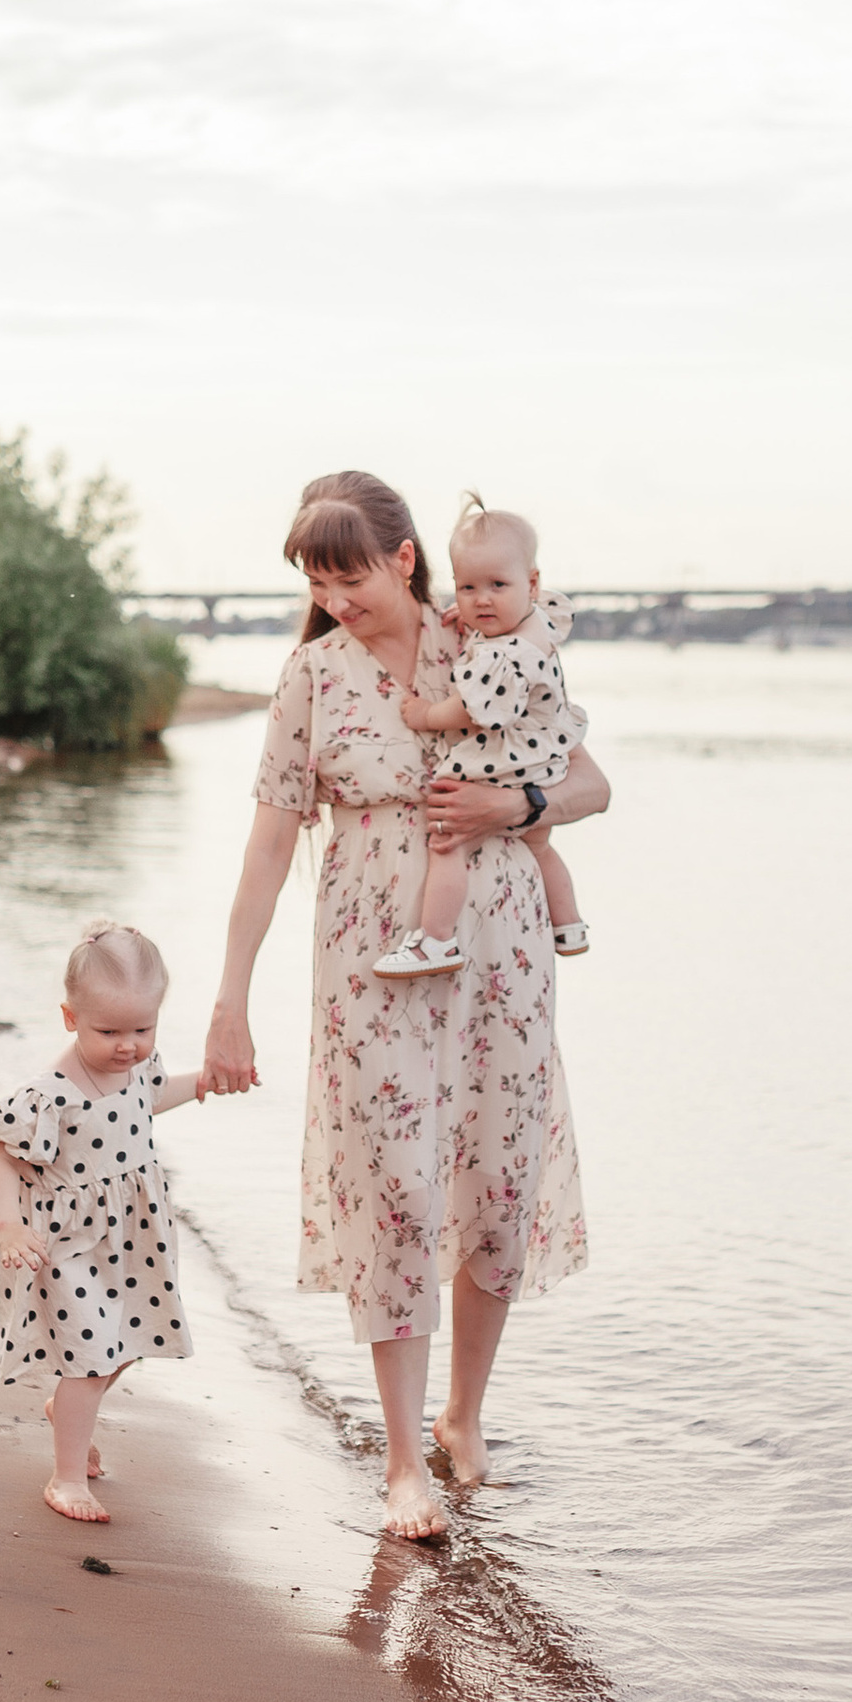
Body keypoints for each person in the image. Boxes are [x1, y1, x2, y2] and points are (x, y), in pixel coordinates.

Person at [203, 471, 608, 1538]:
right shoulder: (313, 676)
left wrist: (514, 802)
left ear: (404, 559)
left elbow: (591, 782)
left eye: (351, 579)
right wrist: (229, 998)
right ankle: (399, 1464)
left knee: (496, 1185)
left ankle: (462, 1417)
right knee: (396, 1189)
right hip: (371, 965)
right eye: (316, 584)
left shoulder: (484, 636)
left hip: (502, 959)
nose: (335, 601)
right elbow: (268, 845)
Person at [0, 919, 210, 1524]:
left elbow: (151, 1097)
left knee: (127, 1344)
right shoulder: (49, 1096)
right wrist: (9, 1227)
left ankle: (67, 1410)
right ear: (70, 1018)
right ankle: (66, 1477)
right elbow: (3, 1163)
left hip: (134, 1239)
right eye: (108, 1031)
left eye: (143, 1029)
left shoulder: (136, 1066)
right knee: (88, 1359)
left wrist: (202, 1083)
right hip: (69, 1247)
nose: (128, 1045)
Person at [375, 497, 590, 976]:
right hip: (547, 758)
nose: (481, 600)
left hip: (507, 763)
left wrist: (427, 714)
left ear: (531, 583)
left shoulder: (502, 656)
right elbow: (501, 623)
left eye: (497, 586)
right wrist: (478, 620)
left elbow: (475, 712)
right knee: (540, 846)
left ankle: (436, 941)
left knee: (447, 841)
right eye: (467, 588)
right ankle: (569, 925)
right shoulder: (540, 620)